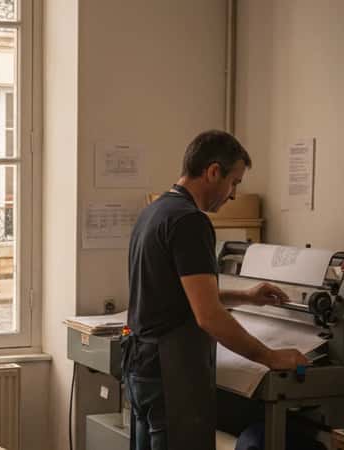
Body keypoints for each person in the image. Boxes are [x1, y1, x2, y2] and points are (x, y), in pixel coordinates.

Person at [122, 130, 309, 450]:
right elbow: (207, 316)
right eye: (234, 182)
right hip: (171, 374)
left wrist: (244, 296)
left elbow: (177, 296)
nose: (233, 194)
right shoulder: (190, 221)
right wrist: (270, 357)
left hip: (144, 366)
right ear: (212, 172)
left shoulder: (154, 213)